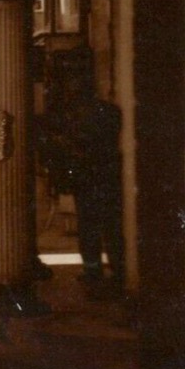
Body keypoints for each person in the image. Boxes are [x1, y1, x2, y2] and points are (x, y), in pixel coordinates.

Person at [66, 93, 124, 299]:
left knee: (90, 229)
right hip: (107, 179)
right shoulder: (112, 114)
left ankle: (93, 273)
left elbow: (77, 146)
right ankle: (118, 271)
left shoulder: (82, 120)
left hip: (88, 180)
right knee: (111, 228)